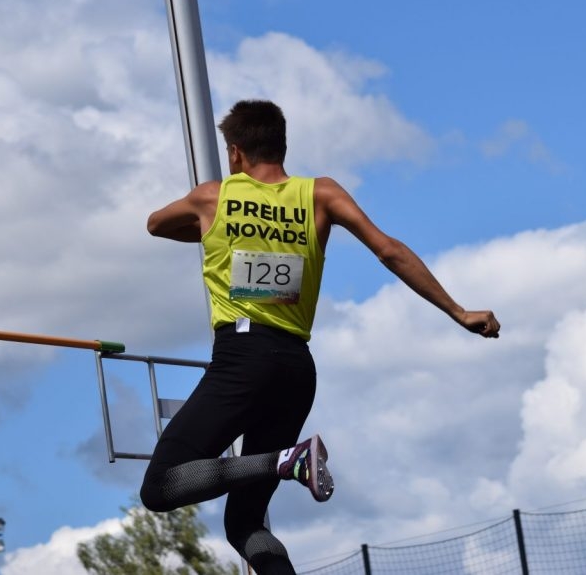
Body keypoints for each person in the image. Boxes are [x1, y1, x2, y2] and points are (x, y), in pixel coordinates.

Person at [140, 100, 500, 574]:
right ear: (281, 145)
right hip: (295, 368)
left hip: (242, 358)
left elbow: (155, 225)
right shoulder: (321, 195)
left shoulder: (212, 198)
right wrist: (459, 311)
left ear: (235, 153)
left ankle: (285, 462)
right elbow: (389, 251)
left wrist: (218, 232)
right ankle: (286, 464)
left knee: (162, 485)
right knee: (246, 525)